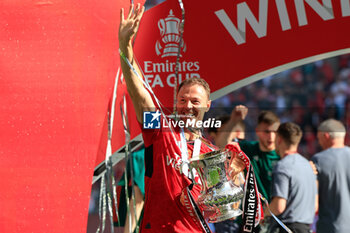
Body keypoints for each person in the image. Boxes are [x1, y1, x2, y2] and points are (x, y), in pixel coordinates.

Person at [118, 4, 244, 232]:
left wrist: (235, 177)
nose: (187, 106)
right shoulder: (159, 131)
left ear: (207, 105)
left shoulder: (210, 155)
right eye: (182, 100)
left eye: (195, 101)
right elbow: (141, 95)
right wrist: (125, 47)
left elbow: (220, 209)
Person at [268, 122, 317, 233]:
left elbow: (278, 206)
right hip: (306, 228)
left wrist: (263, 213)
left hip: (287, 228)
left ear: (279, 139)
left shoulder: (282, 166)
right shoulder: (308, 166)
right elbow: (315, 206)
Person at [311, 119, 350, 233]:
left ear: (326, 136)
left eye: (319, 138)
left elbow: (314, 204)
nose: (319, 142)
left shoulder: (318, 160)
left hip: (329, 226)